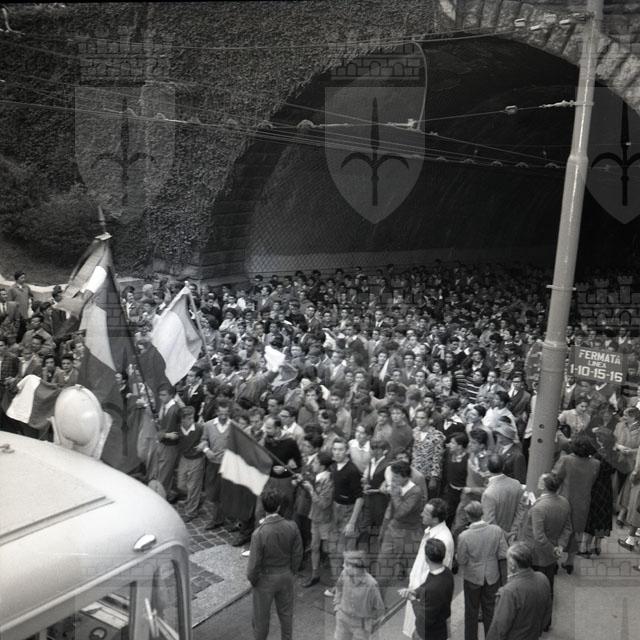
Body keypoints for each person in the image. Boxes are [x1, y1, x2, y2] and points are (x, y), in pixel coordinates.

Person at [246, 489, 303, 640]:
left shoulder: (259, 534)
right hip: (286, 574)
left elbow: (253, 566)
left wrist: (254, 580)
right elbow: (298, 553)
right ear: (278, 506)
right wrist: (292, 571)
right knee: (286, 615)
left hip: (265, 578)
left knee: (261, 619)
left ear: (264, 507)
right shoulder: (292, 526)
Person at [521, 472, 571, 628]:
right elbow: (568, 528)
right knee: (548, 588)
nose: (538, 481)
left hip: (536, 554)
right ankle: (546, 622)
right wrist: (559, 547)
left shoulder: (539, 508)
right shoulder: (564, 502)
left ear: (544, 485)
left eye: (540, 480)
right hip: (551, 554)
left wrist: (552, 550)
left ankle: (532, 623)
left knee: (532, 590)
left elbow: (539, 536)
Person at [402, 498, 454, 638]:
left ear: (435, 519)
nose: (421, 514)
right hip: (421, 592)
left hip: (427, 604)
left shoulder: (443, 540)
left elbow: (439, 573)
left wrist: (415, 597)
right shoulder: (431, 531)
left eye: (425, 513)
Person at [456, 501, 508, 640]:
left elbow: (462, 560)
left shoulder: (464, 536)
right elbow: (503, 553)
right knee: (490, 611)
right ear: (482, 513)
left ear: (468, 516)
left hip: (472, 577)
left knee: (471, 612)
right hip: (492, 575)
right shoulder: (496, 530)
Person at [552, 434, 600, 572]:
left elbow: (556, 478)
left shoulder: (566, 460)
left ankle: (554, 561)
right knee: (576, 532)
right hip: (583, 503)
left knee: (558, 531)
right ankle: (570, 562)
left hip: (564, 500)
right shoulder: (595, 464)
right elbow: (593, 481)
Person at [486, 542, 552, 640]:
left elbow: (499, 628)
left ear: (512, 566)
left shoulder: (509, 592)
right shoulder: (543, 578)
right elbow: (547, 612)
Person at [377, 460, 424, 584]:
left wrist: (395, 495)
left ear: (406, 477)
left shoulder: (416, 492)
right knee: (383, 563)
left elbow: (400, 513)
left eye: (396, 477)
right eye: (393, 476)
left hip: (410, 533)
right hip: (393, 529)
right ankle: (379, 592)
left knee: (412, 568)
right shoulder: (395, 484)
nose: (393, 479)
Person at [403, 538, 454, 640]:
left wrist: (413, 599)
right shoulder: (447, 573)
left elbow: (423, 619)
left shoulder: (432, 589)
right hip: (441, 628)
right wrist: (415, 592)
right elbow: (427, 585)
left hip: (428, 634)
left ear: (426, 558)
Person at [333, 550, 385, 640]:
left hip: (361, 625)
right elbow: (338, 588)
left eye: (347, 564)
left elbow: (379, 609)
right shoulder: (344, 574)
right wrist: (337, 606)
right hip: (343, 619)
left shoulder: (371, 584)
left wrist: (370, 624)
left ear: (356, 568)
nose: (343, 566)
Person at [301, 450, 334, 588]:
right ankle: (315, 574)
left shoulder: (328, 481)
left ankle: (336, 577)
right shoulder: (317, 477)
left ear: (322, 466)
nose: (313, 464)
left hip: (325, 520)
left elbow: (323, 503)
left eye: (315, 462)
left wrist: (311, 490)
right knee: (315, 547)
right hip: (315, 517)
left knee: (328, 549)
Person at [200, 398, 233, 530]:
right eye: (221, 413)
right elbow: (203, 440)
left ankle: (221, 518)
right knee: (213, 492)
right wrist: (206, 450)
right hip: (213, 464)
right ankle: (218, 517)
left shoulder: (233, 426)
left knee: (226, 492)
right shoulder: (208, 425)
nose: (223, 416)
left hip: (227, 466)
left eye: (226, 413)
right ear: (216, 412)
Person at [481, 454, 525, 544]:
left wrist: (506, 535)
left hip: (495, 540)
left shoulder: (488, 494)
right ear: (504, 466)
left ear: (487, 467)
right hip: (512, 537)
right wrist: (513, 532)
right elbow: (521, 511)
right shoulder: (516, 484)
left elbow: (489, 522)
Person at [175, 405, 205, 522]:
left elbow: (206, 438)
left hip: (197, 459)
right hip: (184, 458)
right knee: (181, 484)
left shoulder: (199, 428)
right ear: (182, 420)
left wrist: (203, 443)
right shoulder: (178, 429)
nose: (191, 420)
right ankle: (195, 497)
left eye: (192, 417)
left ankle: (191, 512)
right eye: (188, 418)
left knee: (193, 486)